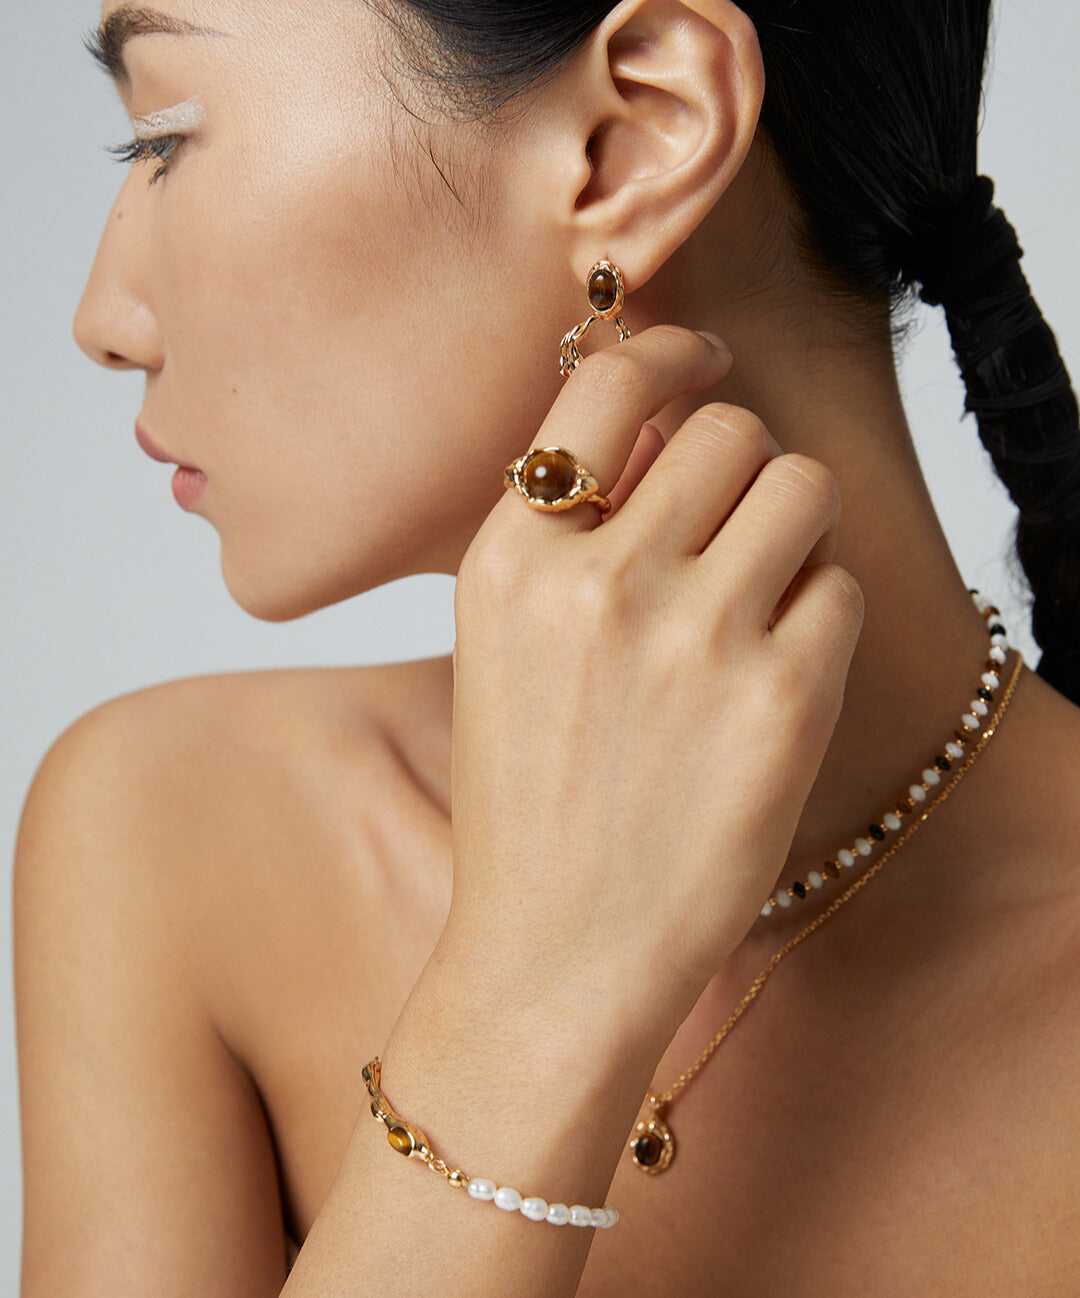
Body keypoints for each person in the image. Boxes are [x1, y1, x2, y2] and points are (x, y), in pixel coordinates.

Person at [13, 0, 1080, 1293]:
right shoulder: (176, 836)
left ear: (638, 138)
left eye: (167, 139)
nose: (102, 318)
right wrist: (534, 988)